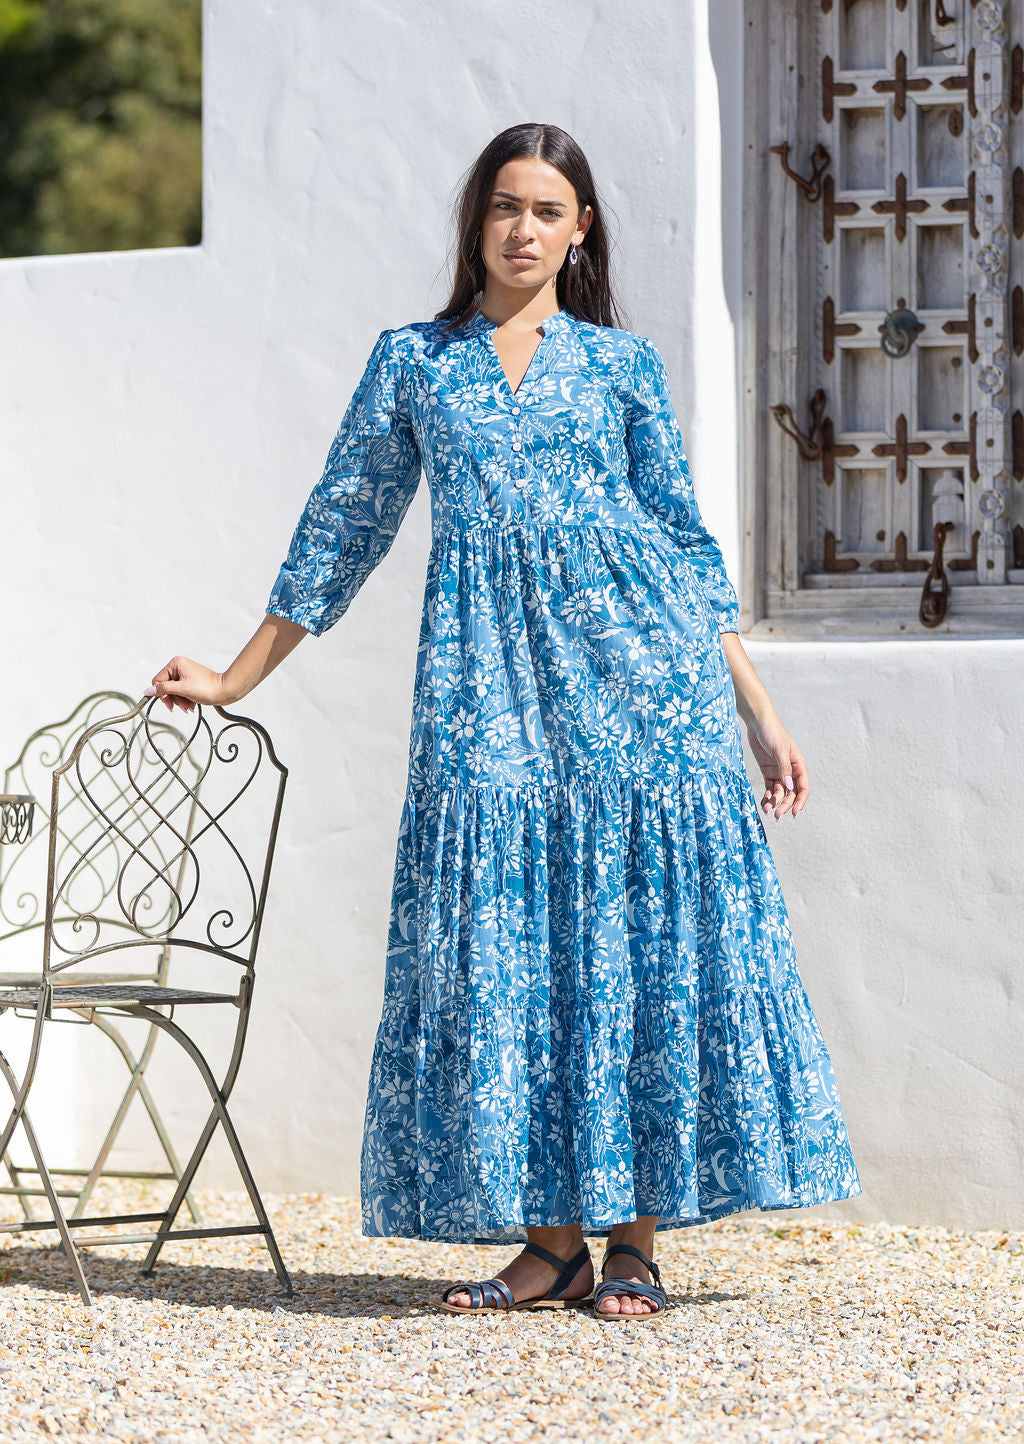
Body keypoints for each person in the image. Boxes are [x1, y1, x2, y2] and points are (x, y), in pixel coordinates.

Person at [149, 122, 862, 1321]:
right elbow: (342, 528)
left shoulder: (622, 367)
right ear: (477, 221)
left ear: (581, 229)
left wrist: (758, 713)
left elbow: (683, 546)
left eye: (548, 209)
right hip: (488, 694)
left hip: (643, 695)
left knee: (631, 945)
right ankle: (550, 1244)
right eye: (504, 206)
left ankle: (631, 1239)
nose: (523, 229)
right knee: (506, 942)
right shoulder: (416, 363)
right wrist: (234, 677)